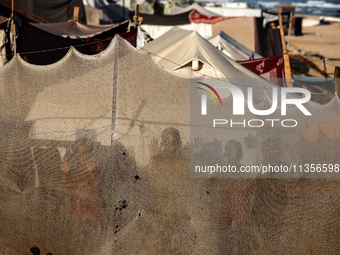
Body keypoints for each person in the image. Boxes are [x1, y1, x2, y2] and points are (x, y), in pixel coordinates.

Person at [60, 138, 102, 221]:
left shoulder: (95, 166)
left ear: (89, 154)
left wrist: (91, 172)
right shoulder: (71, 167)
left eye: (84, 152)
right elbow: (64, 189)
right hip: (76, 212)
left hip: (92, 213)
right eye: (78, 152)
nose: (81, 156)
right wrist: (65, 174)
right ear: (75, 154)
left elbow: (98, 190)